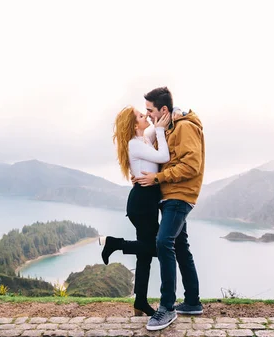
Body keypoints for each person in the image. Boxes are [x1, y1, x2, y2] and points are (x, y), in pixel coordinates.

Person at [133, 87, 205, 331]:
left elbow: (191, 166)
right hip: (170, 195)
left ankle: (167, 307)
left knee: (163, 242)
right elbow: (155, 149)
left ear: (163, 109)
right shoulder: (170, 128)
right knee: (180, 247)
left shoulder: (184, 127)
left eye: (150, 111)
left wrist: (158, 178)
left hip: (179, 195)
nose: (148, 115)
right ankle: (193, 302)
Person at [101, 105, 171, 316]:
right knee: (159, 249)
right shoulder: (135, 144)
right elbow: (164, 157)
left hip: (146, 201)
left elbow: (153, 127)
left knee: (145, 254)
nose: (146, 116)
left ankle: (140, 301)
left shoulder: (142, 139)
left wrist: (166, 118)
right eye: (142, 116)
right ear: (134, 125)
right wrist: (159, 130)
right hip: (142, 203)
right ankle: (115, 243)